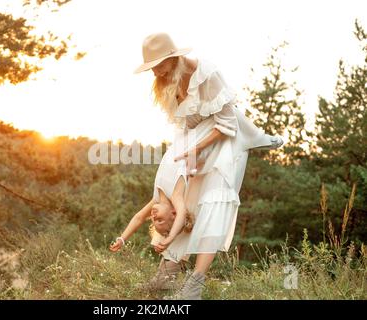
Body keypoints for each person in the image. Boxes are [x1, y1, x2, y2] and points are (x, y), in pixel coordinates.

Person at [111, 32, 283, 299]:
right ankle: (166, 276)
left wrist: (198, 150)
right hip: (195, 142)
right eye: (151, 67)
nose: (155, 72)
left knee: (213, 203)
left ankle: (194, 286)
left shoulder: (207, 74)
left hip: (224, 140)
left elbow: (227, 124)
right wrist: (185, 157)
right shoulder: (167, 81)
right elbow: (186, 125)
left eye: (158, 64)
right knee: (184, 206)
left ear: (173, 57)